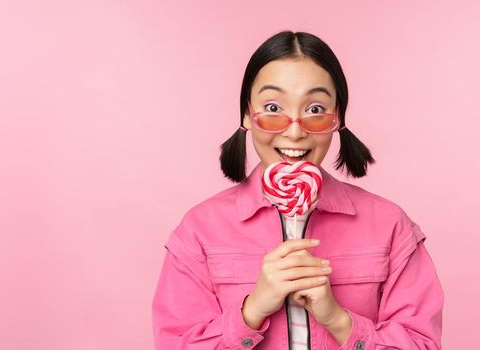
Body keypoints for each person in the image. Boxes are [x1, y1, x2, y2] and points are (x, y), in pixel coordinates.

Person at [151, 30, 443, 350]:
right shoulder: (199, 230)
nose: (294, 131)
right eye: (273, 107)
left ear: (337, 118)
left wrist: (338, 320)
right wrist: (251, 311)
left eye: (315, 109)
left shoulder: (389, 225)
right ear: (247, 115)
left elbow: (422, 343)